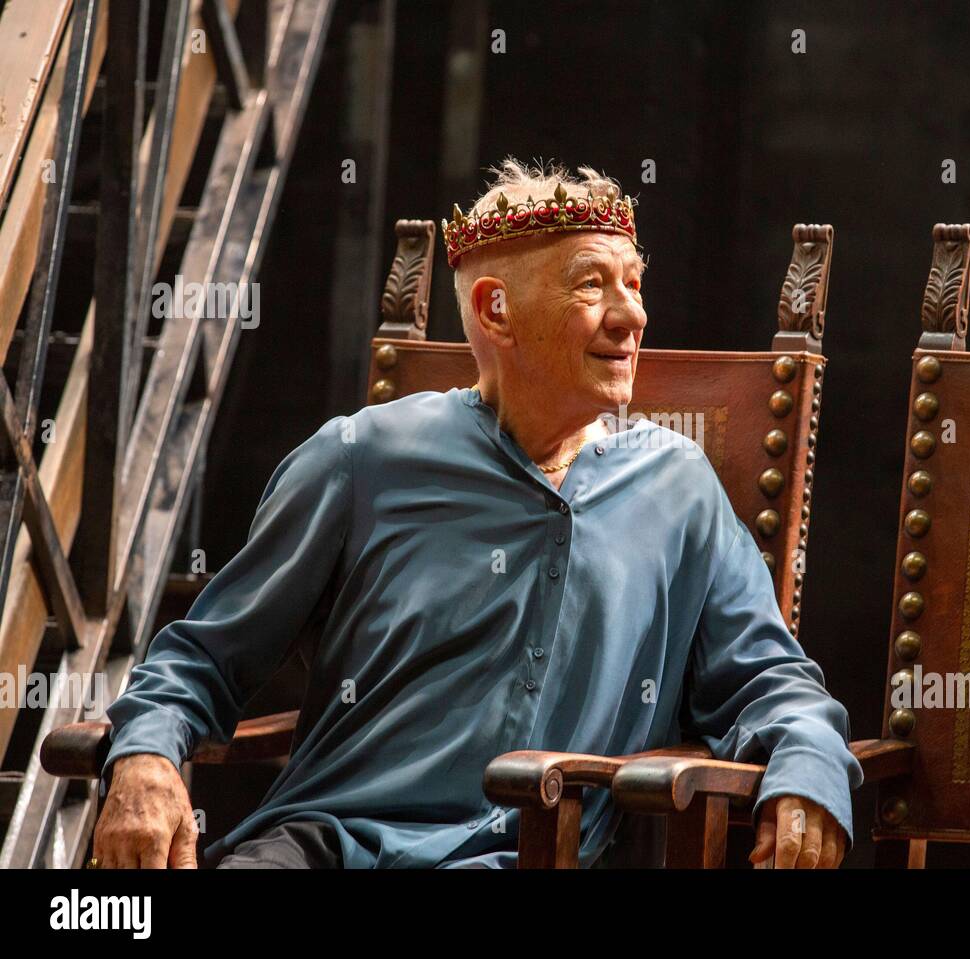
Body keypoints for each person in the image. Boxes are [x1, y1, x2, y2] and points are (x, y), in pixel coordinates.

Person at [91, 157, 864, 869]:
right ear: (495, 311)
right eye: (594, 284)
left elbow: (769, 679)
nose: (633, 316)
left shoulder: (678, 489)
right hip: (326, 845)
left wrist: (807, 769)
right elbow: (202, 657)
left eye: (635, 282)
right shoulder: (361, 459)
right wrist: (146, 756)